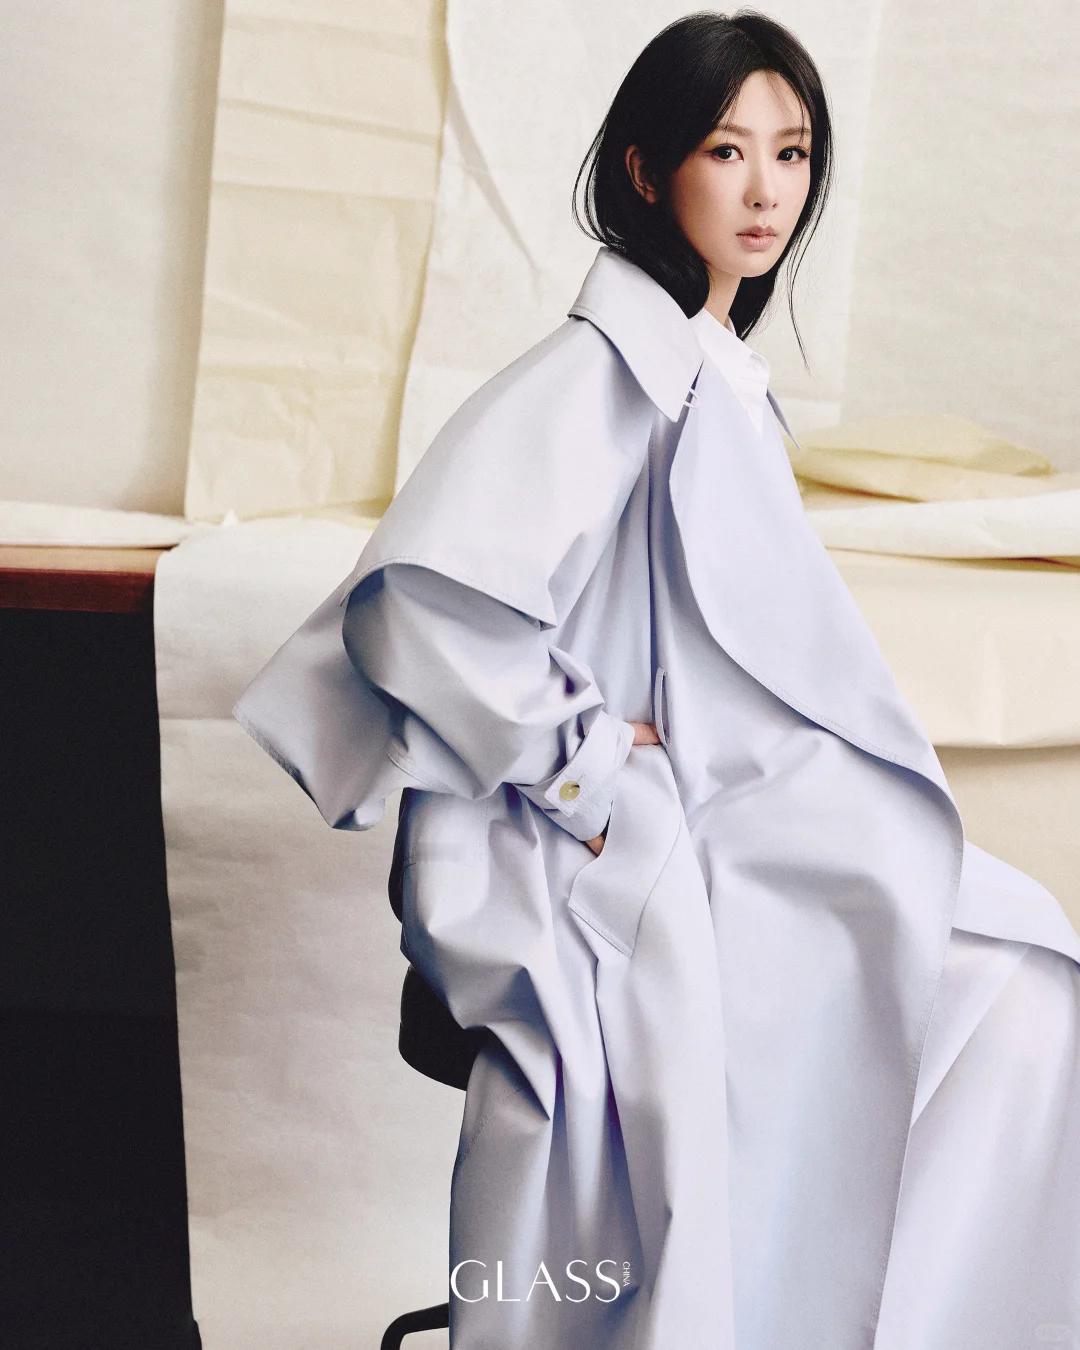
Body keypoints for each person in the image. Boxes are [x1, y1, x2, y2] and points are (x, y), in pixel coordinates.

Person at [233, 11, 1080, 1348]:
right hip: (600, 841)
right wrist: (577, 761)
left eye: (792, 153)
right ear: (646, 170)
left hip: (725, 807)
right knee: (978, 979)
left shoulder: (712, 372)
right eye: (727, 150)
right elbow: (422, 607)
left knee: (1024, 973)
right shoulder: (600, 372)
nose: (766, 190)